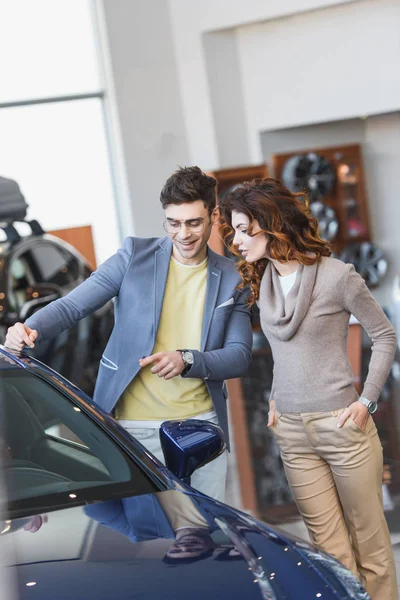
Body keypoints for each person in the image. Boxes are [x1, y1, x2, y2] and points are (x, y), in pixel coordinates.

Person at [4, 166, 252, 502]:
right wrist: (30, 327)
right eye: (174, 223)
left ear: (213, 215)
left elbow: (238, 355)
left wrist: (187, 360)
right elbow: (72, 306)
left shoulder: (232, 277)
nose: (183, 234)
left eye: (194, 222)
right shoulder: (134, 257)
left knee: (204, 533)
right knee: (147, 535)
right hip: (134, 426)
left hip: (201, 426)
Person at [219, 177, 398, 599]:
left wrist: (366, 401)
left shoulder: (338, 277)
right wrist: (276, 398)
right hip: (293, 433)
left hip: (343, 427)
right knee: (328, 553)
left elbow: (385, 337)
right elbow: (287, 353)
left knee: (369, 545)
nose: (237, 240)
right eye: (234, 230)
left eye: (245, 229)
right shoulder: (262, 282)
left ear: (272, 223)